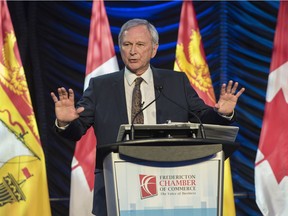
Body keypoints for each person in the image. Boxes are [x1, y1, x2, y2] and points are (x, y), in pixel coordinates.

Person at [51, 18, 245, 216]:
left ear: (154, 49)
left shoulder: (175, 82)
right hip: (116, 185)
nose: (133, 51)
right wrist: (66, 122)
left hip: (170, 185)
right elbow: (77, 130)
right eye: (127, 45)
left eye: (140, 44)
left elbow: (202, 117)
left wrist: (223, 113)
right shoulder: (100, 86)